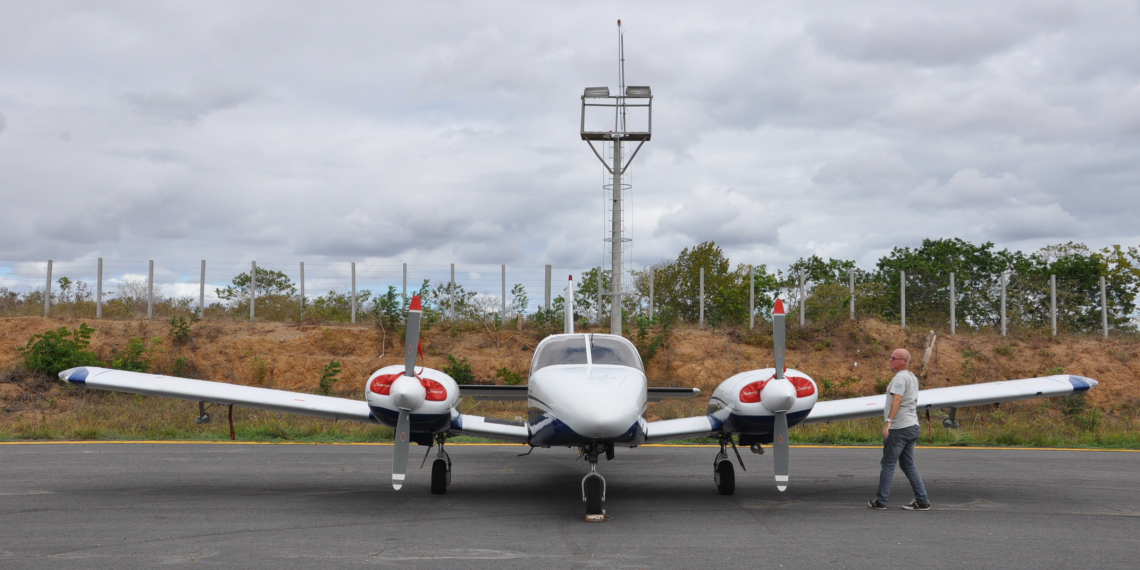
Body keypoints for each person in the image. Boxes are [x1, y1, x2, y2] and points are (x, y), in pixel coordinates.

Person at [868, 348, 930, 511]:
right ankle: (922, 500)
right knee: (908, 465)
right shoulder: (911, 377)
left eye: (894, 358)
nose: (890, 360)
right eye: (890, 357)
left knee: (888, 463)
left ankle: (881, 501)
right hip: (912, 426)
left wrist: (889, 421)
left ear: (904, 361)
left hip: (899, 428)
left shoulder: (900, 378)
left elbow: (898, 399)